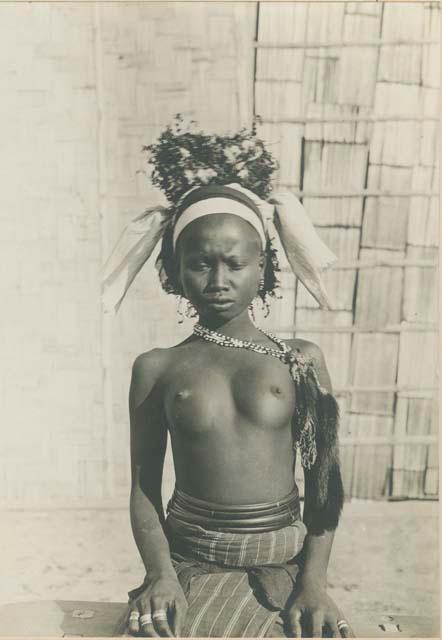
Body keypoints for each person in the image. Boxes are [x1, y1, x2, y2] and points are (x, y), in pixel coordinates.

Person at [102, 118, 353, 638]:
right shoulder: (158, 367)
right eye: (200, 264)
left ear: (262, 266)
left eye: (235, 264)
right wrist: (160, 575)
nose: (218, 280)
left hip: (285, 565)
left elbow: (324, 482)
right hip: (189, 564)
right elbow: (144, 488)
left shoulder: (300, 361)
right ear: (174, 269)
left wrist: (314, 582)